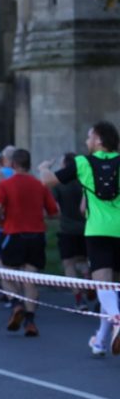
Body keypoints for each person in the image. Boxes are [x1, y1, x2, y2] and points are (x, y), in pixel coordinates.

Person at [40, 121, 120, 356]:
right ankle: (100, 341)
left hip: (97, 230)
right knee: (113, 289)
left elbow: (47, 181)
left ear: (98, 139)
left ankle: (117, 321)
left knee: (103, 284)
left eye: (88, 137)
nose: (86, 142)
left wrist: (44, 166)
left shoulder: (82, 163)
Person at [0, 148, 59, 337]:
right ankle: (30, 320)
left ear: (12, 164)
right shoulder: (40, 185)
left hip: (14, 234)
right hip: (36, 236)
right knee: (30, 278)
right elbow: (54, 212)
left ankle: (16, 303)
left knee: (4, 271)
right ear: (29, 164)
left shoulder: (5, 185)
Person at [50, 154, 91, 312]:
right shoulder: (85, 181)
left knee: (69, 264)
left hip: (66, 229)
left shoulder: (60, 185)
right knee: (85, 261)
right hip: (87, 228)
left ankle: (79, 299)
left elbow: (55, 209)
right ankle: (88, 280)